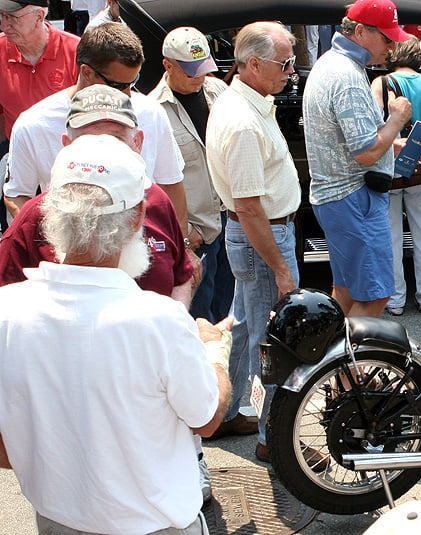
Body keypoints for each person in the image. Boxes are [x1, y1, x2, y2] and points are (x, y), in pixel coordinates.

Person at [0, 133, 232, 535]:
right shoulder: (158, 320)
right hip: (155, 526)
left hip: (56, 521)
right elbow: (207, 419)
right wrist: (215, 352)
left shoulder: (8, 310)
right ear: (138, 216)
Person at [0, 85, 194, 304]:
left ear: (137, 142)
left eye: (115, 138)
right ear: (67, 145)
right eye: (87, 138)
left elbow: (181, 277)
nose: (102, 148)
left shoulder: (157, 201)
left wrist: (174, 324)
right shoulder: (37, 214)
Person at [205, 22, 302, 460]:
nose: (291, 71)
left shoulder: (248, 102)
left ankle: (222, 413)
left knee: (245, 326)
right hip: (263, 235)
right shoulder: (243, 121)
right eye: (284, 63)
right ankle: (273, 440)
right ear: (255, 64)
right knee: (276, 340)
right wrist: (282, 268)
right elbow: (248, 207)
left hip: (257, 234)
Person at [3, 22, 189, 236]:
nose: (127, 95)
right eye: (118, 86)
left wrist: (181, 245)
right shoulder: (33, 124)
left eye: (133, 82)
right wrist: (50, 243)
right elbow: (17, 195)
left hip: (144, 251)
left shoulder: (151, 112)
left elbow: (171, 183)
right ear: (87, 72)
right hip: (71, 255)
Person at [303, 0, 412, 318]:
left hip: (338, 197)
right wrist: (396, 119)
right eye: (387, 38)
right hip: (354, 198)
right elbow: (365, 152)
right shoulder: (348, 76)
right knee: (375, 296)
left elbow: (350, 143)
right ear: (361, 31)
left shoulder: (330, 63)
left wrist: (388, 144)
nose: (391, 47)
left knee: (347, 292)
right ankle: (349, 369)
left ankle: (333, 366)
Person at [151, 26, 234, 322]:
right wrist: (184, 234)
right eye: (190, 71)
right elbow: (155, 182)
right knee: (199, 319)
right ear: (167, 65)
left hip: (230, 219)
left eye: (204, 68)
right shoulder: (154, 110)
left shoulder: (218, 91)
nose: (199, 77)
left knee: (229, 317)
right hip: (196, 230)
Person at [371, 36, 421, 316]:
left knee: (390, 237)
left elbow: (375, 127)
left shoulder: (381, 83)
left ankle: (396, 299)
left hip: (389, 166)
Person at [0, 0, 79, 145]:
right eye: (2, 16)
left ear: (39, 16)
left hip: (67, 153)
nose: (4, 26)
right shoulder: (1, 50)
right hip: (17, 152)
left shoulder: (76, 52)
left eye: (12, 18)